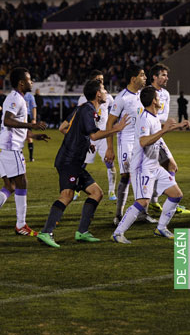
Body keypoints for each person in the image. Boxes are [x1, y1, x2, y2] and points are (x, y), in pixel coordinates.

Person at [36, 80, 130, 248]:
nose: (106, 91)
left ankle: (82, 232)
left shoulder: (88, 110)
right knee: (67, 195)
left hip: (75, 161)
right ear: (97, 94)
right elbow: (94, 134)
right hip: (69, 161)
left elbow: (80, 132)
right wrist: (117, 128)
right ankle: (46, 232)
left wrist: (87, 144)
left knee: (96, 193)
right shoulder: (87, 109)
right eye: (103, 89)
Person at [0, 68, 50, 238]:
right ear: (21, 83)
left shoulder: (19, 99)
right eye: (30, 79)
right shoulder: (16, 98)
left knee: (10, 186)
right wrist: (31, 125)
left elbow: (15, 127)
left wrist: (34, 136)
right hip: (10, 148)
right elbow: (8, 120)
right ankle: (21, 225)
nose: (32, 82)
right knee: (22, 182)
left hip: (3, 146)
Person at [112, 86, 189, 243]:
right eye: (158, 97)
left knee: (176, 194)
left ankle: (161, 228)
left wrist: (177, 126)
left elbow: (157, 131)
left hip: (154, 165)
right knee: (142, 202)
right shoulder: (144, 118)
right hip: (142, 167)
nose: (160, 99)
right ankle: (118, 232)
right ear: (154, 100)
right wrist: (165, 131)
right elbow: (143, 141)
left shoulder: (153, 117)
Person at [105, 65, 147, 225]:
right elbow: (109, 124)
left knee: (143, 174)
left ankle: (143, 211)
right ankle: (118, 215)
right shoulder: (122, 98)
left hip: (141, 141)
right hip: (127, 142)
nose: (145, 78)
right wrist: (110, 148)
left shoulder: (143, 95)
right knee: (126, 176)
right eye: (142, 75)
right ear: (133, 79)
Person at [147, 64, 190, 215]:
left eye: (167, 75)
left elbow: (162, 118)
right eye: (163, 75)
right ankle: (170, 202)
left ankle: (153, 201)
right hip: (150, 136)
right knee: (171, 167)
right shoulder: (146, 93)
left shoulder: (165, 93)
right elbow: (148, 118)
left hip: (159, 134)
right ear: (154, 76)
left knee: (168, 168)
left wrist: (177, 125)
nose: (167, 78)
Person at [76, 70, 117, 201]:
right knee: (81, 164)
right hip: (90, 136)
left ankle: (111, 191)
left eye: (102, 79)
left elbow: (112, 114)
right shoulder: (83, 98)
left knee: (109, 162)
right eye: (98, 79)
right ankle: (77, 188)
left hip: (103, 137)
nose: (101, 81)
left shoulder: (108, 98)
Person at [24, 91, 38, 162]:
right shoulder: (15, 94)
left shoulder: (29, 96)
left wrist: (34, 118)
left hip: (27, 116)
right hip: (17, 117)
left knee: (29, 137)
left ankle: (31, 157)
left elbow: (34, 107)